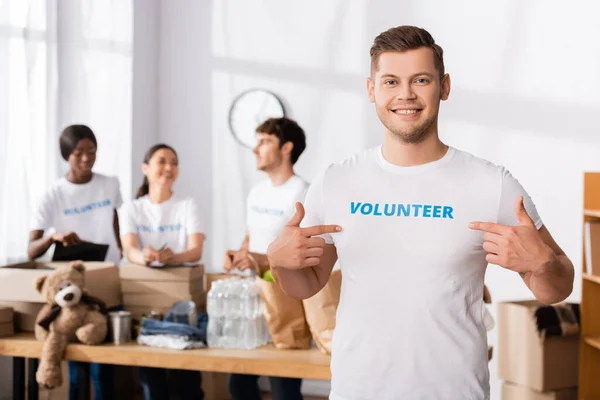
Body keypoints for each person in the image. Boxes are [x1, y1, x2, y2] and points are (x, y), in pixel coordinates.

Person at [266, 26, 575, 399]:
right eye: (391, 81)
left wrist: (542, 264)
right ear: (371, 90)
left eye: (421, 80)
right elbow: (308, 283)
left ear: (444, 87)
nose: (406, 94)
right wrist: (279, 262)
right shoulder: (336, 182)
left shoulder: (492, 184)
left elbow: (558, 288)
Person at [28, 124, 122, 400]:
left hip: (107, 279)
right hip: (73, 290)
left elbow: (117, 229)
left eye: (91, 152)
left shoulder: (109, 185)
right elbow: (31, 250)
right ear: (66, 155)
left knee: (104, 362)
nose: (86, 159)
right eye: (78, 153)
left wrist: (126, 256)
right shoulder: (52, 195)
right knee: (78, 363)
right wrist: (53, 237)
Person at [225, 117, 308, 400]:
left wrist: (259, 259)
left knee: (283, 388)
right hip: (253, 299)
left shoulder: (302, 192)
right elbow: (251, 236)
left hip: (283, 298)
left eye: (264, 142)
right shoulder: (256, 192)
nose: (255, 149)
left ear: (286, 148)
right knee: (239, 385)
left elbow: (304, 252)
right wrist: (239, 255)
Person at [119, 143, 205, 400]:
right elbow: (129, 249)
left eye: (174, 162)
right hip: (147, 302)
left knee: (186, 380)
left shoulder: (187, 205)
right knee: (152, 381)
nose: (169, 168)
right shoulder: (131, 209)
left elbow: (195, 250)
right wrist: (144, 256)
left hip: (182, 300)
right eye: (162, 161)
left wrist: (174, 257)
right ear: (145, 168)